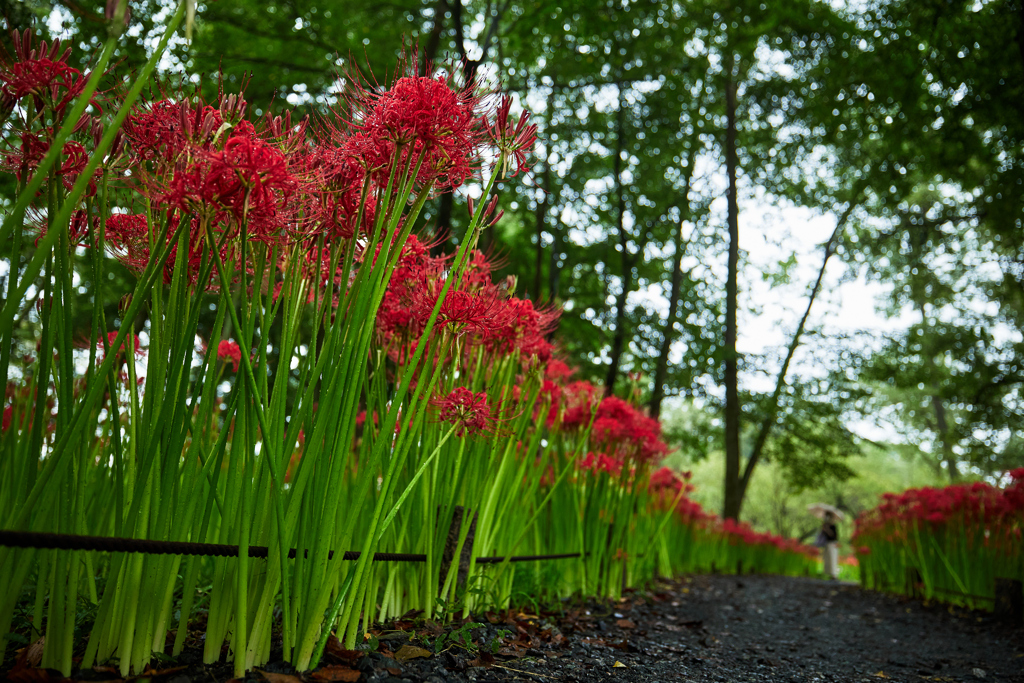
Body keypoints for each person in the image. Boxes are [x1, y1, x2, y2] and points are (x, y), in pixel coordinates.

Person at [821, 511, 839, 579]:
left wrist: (827, 529)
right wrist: (823, 529)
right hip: (827, 543)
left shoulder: (833, 526)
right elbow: (823, 536)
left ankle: (834, 574)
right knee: (827, 558)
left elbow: (833, 535)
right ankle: (827, 573)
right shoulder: (825, 525)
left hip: (833, 543)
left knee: (832, 558)